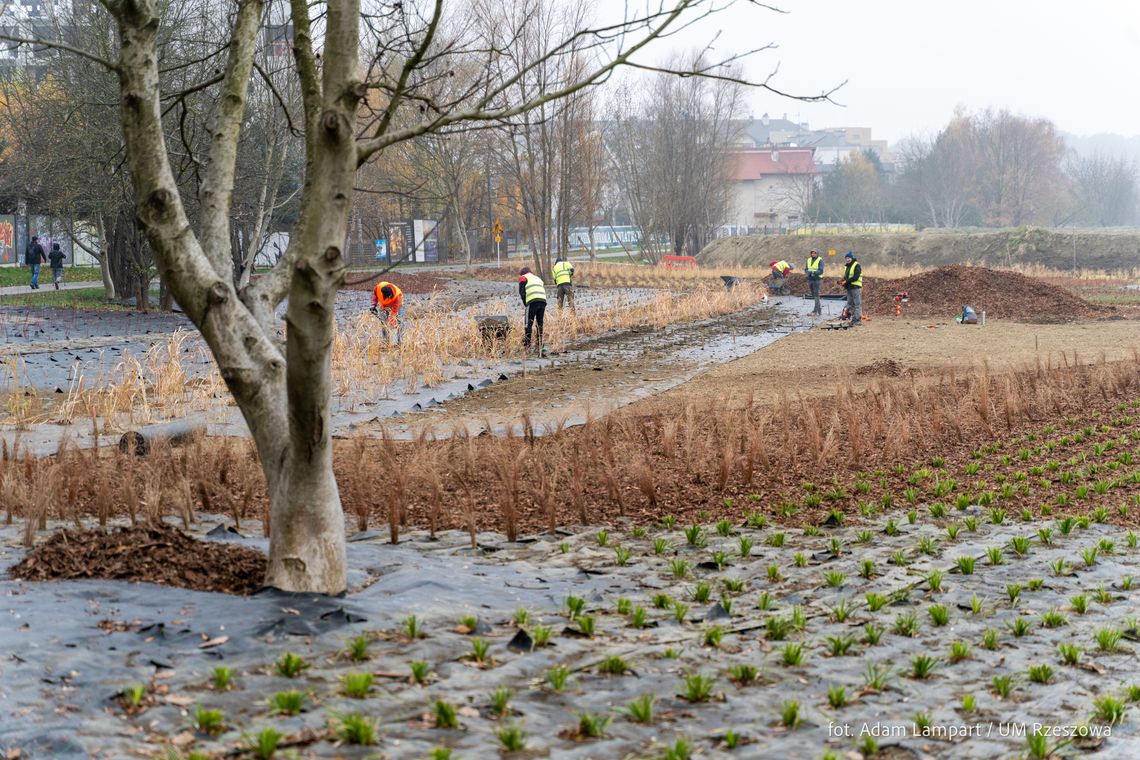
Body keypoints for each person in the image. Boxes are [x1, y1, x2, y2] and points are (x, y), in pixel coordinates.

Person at [518, 266, 547, 353]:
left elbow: (522, 293)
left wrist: (526, 304)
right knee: (539, 324)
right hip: (543, 301)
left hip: (532, 301)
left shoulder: (523, 277)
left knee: (528, 324)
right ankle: (539, 344)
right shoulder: (538, 278)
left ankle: (527, 345)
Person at [370, 280, 403, 344]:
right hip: (384, 306)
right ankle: (385, 341)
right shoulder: (379, 288)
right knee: (384, 323)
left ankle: (398, 342)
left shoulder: (397, 295)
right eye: (389, 296)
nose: (390, 296)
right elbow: (375, 295)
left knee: (397, 323)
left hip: (396, 306)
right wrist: (374, 305)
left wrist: (392, 317)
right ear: (384, 295)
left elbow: (395, 308)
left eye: (391, 295)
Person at [839, 251, 863, 326]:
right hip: (849, 287)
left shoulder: (857, 265)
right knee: (850, 304)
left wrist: (846, 281)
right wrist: (842, 281)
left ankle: (858, 320)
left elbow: (855, 277)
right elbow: (846, 277)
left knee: (857, 304)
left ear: (852, 258)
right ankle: (853, 319)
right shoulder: (846, 266)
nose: (847, 259)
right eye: (846, 258)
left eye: (849, 258)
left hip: (855, 287)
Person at [805, 249, 824, 315]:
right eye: (812, 253)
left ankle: (816, 311)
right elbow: (806, 269)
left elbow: (821, 270)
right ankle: (818, 310)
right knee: (814, 295)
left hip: (817, 279)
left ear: (817, 254)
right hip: (810, 279)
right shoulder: (808, 260)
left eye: (815, 253)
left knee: (816, 295)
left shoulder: (820, 260)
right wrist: (807, 273)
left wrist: (813, 272)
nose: (813, 254)